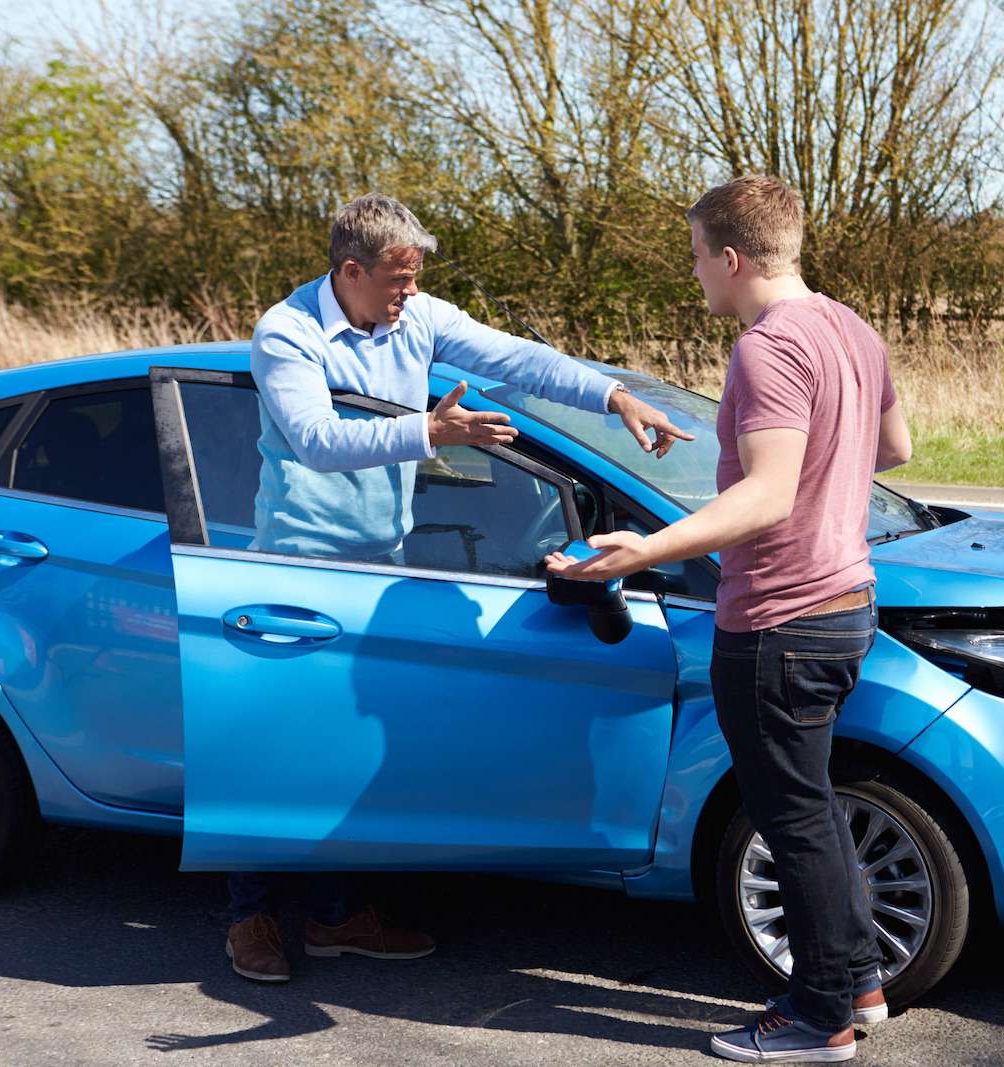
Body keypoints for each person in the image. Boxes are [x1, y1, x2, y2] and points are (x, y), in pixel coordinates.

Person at [225, 192, 692, 984]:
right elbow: (317, 440)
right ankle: (250, 915)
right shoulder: (287, 333)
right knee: (284, 748)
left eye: (415, 280)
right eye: (398, 280)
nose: (410, 294)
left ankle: (337, 915)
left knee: (357, 747)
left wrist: (613, 397)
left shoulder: (417, 317)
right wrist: (431, 433)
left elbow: (516, 358)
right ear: (350, 271)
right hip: (298, 570)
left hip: (383, 562)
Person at [545, 175, 912, 1063]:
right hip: (846, 601)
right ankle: (858, 979)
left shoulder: (767, 348)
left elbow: (768, 495)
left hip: (779, 617)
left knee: (791, 815)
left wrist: (646, 550)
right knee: (811, 804)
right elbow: (894, 448)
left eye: (698, 254)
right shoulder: (850, 328)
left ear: (734, 256)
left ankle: (820, 1016)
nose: (695, 271)